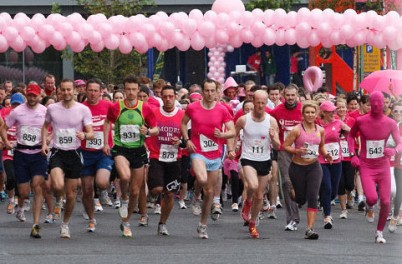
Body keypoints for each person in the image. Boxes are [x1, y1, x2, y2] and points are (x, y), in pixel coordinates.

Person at [103, 75, 158, 238]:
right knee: (125, 175)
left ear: (138, 90)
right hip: (121, 148)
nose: (131, 93)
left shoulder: (145, 108)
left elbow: (156, 129)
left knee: (136, 190)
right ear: (124, 90)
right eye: (128, 89)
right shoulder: (116, 107)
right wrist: (106, 142)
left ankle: (126, 222)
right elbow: (107, 122)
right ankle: (123, 197)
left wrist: (147, 131)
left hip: (138, 150)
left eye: (134, 90)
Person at [181, 79, 235, 239]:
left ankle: (203, 224)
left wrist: (223, 135)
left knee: (210, 192)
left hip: (215, 153)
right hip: (198, 151)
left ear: (216, 91)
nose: (210, 94)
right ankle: (196, 196)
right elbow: (183, 124)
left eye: (213, 91)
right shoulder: (193, 107)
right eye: (207, 91)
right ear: (202, 92)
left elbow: (232, 131)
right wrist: (187, 140)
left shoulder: (222, 109)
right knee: (202, 179)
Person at [41, 79, 94, 239]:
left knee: (71, 194)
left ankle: (65, 224)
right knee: (57, 184)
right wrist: (44, 143)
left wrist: (85, 135)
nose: (66, 93)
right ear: (59, 91)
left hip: (75, 153)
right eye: (63, 90)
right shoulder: (52, 108)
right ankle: (59, 199)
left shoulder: (83, 109)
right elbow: (44, 126)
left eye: (69, 90)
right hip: (58, 151)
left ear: (74, 91)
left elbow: (90, 132)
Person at [347, 91, 402, 244]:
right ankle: (369, 207)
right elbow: (350, 136)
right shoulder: (361, 121)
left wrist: (395, 150)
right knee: (371, 197)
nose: (377, 106)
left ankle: (379, 232)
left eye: (380, 103)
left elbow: (400, 142)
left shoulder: (390, 123)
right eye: (374, 103)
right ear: (369, 104)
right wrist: (353, 155)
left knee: (385, 201)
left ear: (384, 104)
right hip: (366, 165)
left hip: (383, 165)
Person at [230, 90, 280, 238]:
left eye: (262, 103)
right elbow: (233, 133)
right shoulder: (244, 119)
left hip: (264, 159)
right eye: (257, 102)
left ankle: (252, 223)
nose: (259, 105)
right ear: (253, 101)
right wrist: (232, 149)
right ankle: (247, 203)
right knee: (252, 186)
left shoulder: (271, 121)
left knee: (260, 195)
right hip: (248, 157)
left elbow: (277, 146)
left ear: (266, 103)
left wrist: (273, 137)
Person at [0, 84, 47, 238]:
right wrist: (6, 142)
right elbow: (3, 128)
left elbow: (52, 129)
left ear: (39, 95)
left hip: (38, 153)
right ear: (26, 95)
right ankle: (20, 206)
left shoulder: (45, 111)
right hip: (21, 153)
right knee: (24, 191)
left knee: (37, 185)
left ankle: (35, 224)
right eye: (30, 95)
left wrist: (47, 143)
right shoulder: (18, 111)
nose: (32, 98)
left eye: (35, 95)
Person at [284, 100, 332, 240]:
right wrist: (296, 151)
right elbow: (285, 146)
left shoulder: (320, 130)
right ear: (303, 114)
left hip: (314, 166)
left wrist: (326, 154)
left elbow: (321, 146)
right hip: (297, 167)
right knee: (300, 199)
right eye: (307, 112)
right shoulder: (296, 130)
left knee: (313, 196)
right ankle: (291, 190)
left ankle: (310, 229)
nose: (310, 115)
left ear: (317, 113)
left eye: (312, 112)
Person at [146, 85, 185, 235]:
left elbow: (189, 137)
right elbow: (146, 131)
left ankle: (162, 223)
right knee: (157, 189)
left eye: (171, 96)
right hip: (157, 156)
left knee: (169, 194)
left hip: (175, 158)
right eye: (165, 96)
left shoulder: (182, 115)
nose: (168, 99)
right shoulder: (153, 113)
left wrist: (180, 142)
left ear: (175, 97)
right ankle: (152, 194)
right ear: (161, 98)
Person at [80, 79, 114, 233]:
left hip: (103, 151)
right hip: (85, 152)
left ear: (101, 92)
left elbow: (121, 122)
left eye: (96, 90)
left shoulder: (108, 106)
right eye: (90, 90)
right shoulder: (80, 108)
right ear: (85, 91)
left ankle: (104, 193)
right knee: (87, 189)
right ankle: (92, 218)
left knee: (101, 182)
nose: (93, 93)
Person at [270, 84, 303, 231]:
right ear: (283, 95)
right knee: (287, 183)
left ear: (297, 95)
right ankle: (292, 219)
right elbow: (273, 129)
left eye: (293, 95)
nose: (290, 98)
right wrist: (275, 142)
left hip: (302, 151)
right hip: (284, 151)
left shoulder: (303, 109)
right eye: (287, 95)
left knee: (301, 184)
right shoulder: (277, 111)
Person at [317, 101, 350, 229]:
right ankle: (327, 216)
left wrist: (346, 133)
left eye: (333, 111)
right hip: (321, 160)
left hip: (336, 160)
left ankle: (324, 201)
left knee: (334, 191)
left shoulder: (338, 123)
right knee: (327, 187)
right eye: (330, 111)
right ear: (323, 113)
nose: (333, 113)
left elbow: (350, 132)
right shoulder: (317, 124)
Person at [388, 101, 402, 232]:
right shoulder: (389, 125)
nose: (398, 113)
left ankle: (395, 216)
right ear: (392, 112)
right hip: (389, 162)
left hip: (400, 164)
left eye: (401, 111)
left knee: (399, 192)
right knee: (392, 190)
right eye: (396, 111)